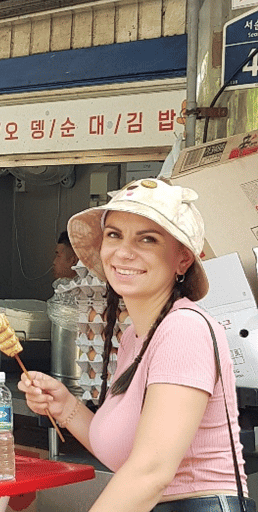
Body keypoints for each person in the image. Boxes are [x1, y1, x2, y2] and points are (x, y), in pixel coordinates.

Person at [19, 179, 252, 512]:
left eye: (148, 239)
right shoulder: (135, 337)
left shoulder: (183, 330)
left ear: (183, 259)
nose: (124, 252)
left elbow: (150, 472)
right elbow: (126, 453)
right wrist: (65, 407)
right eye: (114, 235)